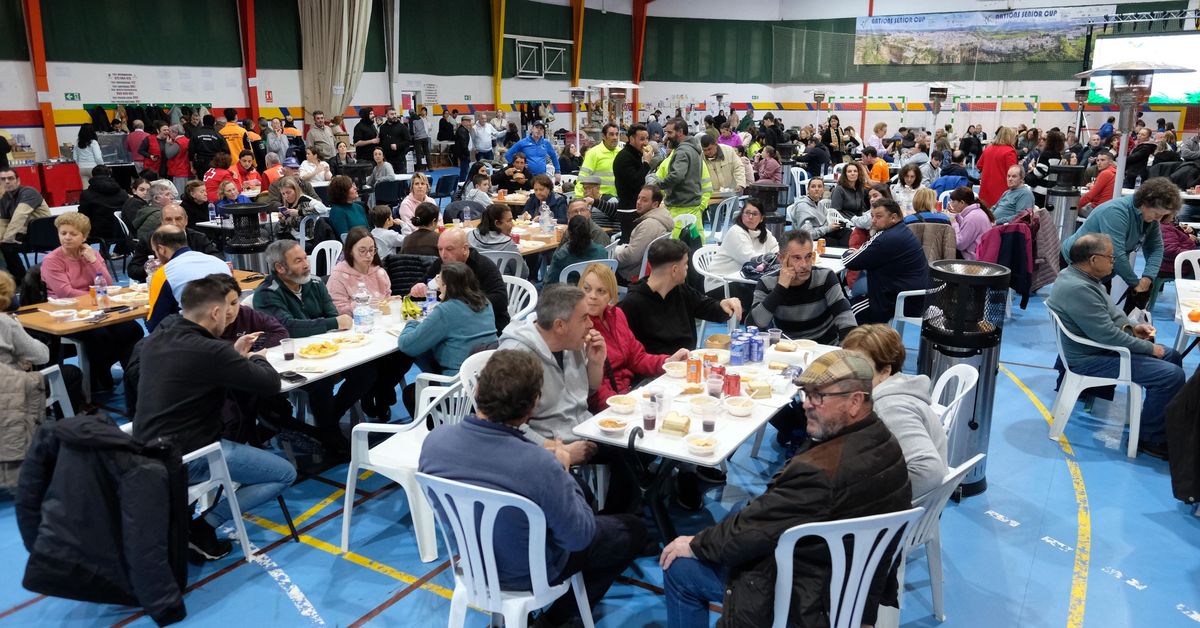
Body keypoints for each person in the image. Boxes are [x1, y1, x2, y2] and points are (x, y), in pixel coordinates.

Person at [660, 349, 912, 628]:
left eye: (819, 396)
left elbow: (752, 531)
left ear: (855, 401)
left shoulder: (819, 472)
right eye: (806, 394)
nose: (806, 404)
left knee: (680, 568)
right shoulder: (887, 442)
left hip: (812, 596)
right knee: (741, 513)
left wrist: (694, 544)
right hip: (859, 584)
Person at [418, 349, 646, 627]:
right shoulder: (539, 465)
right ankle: (558, 619)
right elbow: (579, 538)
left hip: (472, 563)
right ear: (532, 407)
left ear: (476, 390)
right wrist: (562, 469)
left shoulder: (435, 443)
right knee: (633, 530)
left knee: (578, 496)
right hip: (532, 574)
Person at [134, 274, 295, 561]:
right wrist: (257, 357)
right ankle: (203, 526)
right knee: (284, 473)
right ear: (216, 312)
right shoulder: (211, 351)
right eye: (229, 305)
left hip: (144, 447)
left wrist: (233, 357)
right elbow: (270, 384)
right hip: (189, 456)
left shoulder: (159, 337)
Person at [1047, 233, 1183, 460]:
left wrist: (1134, 328)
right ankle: (1150, 438)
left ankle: (1158, 424)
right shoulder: (1079, 288)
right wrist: (1149, 349)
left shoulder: (1081, 277)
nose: (1114, 261)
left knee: (1173, 356)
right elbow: (1107, 335)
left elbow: (1111, 315)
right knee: (1171, 375)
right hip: (1089, 358)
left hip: (1097, 348)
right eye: (1110, 257)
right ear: (1093, 260)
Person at [253, 240, 376, 452]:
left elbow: (331, 313)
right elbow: (288, 328)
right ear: (280, 268)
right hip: (290, 360)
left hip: (327, 350)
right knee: (322, 381)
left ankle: (330, 420)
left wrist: (328, 323)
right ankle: (330, 435)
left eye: (305, 258)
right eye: (298, 261)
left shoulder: (316, 283)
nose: (306, 264)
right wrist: (331, 323)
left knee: (367, 371)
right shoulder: (267, 293)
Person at [497, 284, 605, 458]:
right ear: (560, 326)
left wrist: (595, 364)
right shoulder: (516, 356)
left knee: (634, 448)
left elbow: (587, 392)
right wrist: (559, 450)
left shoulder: (572, 342)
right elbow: (507, 425)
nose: (590, 324)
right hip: (548, 447)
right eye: (584, 318)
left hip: (585, 429)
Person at [842, 324, 948, 499]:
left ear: (885, 371)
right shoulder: (895, 387)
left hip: (900, 510)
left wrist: (868, 495)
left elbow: (929, 471)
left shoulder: (890, 408)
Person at [41, 212, 142, 390]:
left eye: (73, 234)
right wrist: (97, 296)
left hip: (97, 308)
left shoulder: (91, 254)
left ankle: (132, 378)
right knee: (100, 336)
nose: (67, 237)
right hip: (69, 313)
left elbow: (107, 284)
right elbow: (66, 292)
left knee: (131, 329)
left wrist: (93, 261)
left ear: (84, 236)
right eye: (63, 233)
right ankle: (99, 375)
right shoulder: (52, 260)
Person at [1062, 177, 1181, 302]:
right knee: (1084, 309)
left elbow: (1155, 248)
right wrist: (1135, 283)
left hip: (1103, 268)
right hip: (1077, 264)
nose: (1158, 219)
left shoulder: (1150, 219)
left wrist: (1148, 277)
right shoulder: (1116, 212)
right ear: (1144, 203)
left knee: (1102, 307)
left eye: (1163, 215)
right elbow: (1116, 254)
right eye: (1157, 214)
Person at [396, 261, 498, 401]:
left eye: (440, 282)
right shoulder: (485, 302)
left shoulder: (446, 311)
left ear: (446, 286)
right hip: (485, 380)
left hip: (457, 390)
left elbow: (406, 345)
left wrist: (412, 322)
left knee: (410, 393)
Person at [621, 238, 741, 356]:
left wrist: (722, 305)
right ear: (674, 270)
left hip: (688, 362)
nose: (687, 268)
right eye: (685, 264)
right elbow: (629, 354)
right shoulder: (632, 304)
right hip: (658, 367)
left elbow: (705, 306)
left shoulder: (680, 290)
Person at [751, 229, 856, 345]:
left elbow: (847, 321)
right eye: (797, 258)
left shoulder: (825, 277)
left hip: (825, 347)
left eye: (808, 256)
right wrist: (781, 288)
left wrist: (846, 350)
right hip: (788, 348)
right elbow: (757, 323)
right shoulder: (766, 283)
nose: (804, 265)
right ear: (781, 259)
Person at [844, 199, 930, 325]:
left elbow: (850, 261)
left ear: (893, 218)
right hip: (913, 297)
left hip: (899, 301)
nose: (873, 221)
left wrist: (849, 251)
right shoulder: (901, 230)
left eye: (878, 216)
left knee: (845, 312)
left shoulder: (887, 238)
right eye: (872, 216)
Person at [411, 227, 510, 332]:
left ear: (465, 249)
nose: (443, 255)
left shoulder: (482, 265)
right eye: (440, 249)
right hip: (454, 323)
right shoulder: (441, 263)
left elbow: (501, 299)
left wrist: (463, 305)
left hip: (488, 326)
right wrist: (418, 289)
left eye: (449, 249)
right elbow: (421, 290)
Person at [144, 225, 231, 331]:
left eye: (155, 251)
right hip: (229, 325)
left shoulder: (164, 273)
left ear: (161, 249)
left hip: (194, 333)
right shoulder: (219, 262)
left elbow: (155, 324)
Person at [650, 118, 712, 236]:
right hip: (693, 207)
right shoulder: (694, 149)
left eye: (670, 133)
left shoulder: (682, 152)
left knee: (677, 245)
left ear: (680, 132)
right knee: (695, 242)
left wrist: (657, 184)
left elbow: (676, 176)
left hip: (680, 209)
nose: (667, 137)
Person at [129, 203, 219, 282]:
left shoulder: (198, 237)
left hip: (193, 284)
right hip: (160, 283)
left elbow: (218, 258)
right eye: (168, 219)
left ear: (186, 220)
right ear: (162, 222)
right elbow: (133, 271)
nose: (174, 224)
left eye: (178, 219)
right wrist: (151, 267)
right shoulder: (148, 239)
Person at [614, 184, 673, 282]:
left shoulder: (649, 225)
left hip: (632, 275)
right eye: (638, 198)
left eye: (644, 200)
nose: (638, 202)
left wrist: (612, 258)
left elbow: (632, 256)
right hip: (645, 271)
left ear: (655, 204)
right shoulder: (661, 218)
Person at [327, 227, 391, 315]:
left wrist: (390, 302)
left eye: (371, 250)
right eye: (362, 251)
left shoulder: (379, 272)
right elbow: (337, 309)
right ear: (350, 251)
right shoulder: (339, 276)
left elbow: (386, 298)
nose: (368, 255)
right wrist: (366, 306)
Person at [544, 215, 608, 286]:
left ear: (569, 233)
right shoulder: (602, 251)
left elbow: (549, 282)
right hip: (596, 290)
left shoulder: (562, 255)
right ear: (589, 231)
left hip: (568, 292)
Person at [77, 165, 128, 247]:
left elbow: (82, 215)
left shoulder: (86, 194)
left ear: (92, 176)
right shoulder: (122, 193)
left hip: (97, 232)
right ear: (109, 175)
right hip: (120, 231)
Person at [0, 165, 50, 242]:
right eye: (3, 179)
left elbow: (20, 216)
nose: (7, 181)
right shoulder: (4, 198)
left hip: (43, 234)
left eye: (10, 178)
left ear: (18, 180)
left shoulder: (29, 192)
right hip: (25, 234)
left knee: (8, 245)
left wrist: (6, 239)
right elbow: (3, 223)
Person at [613, 123, 653, 214]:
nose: (646, 143)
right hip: (628, 209)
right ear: (631, 139)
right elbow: (636, 182)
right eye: (642, 139)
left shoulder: (637, 154)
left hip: (636, 206)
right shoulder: (625, 157)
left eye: (647, 139)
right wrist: (646, 162)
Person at [574, 123, 622, 197]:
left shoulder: (621, 153)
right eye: (611, 134)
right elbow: (583, 178)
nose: (615, 137)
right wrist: (579, 198)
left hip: (619, 197)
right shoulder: (593, 153)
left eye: (616, 134)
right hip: (599, 198)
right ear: (603, 136)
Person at [273, 176, 327, 240]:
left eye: (288, 192)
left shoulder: (304, 199)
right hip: (292, 238)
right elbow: (282, 230)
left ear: (295, 190)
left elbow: (323, 209)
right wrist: (282, 221)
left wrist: (299, 212)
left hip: (307, 240)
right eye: (283, 194)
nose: (286, 196)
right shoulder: (287, 204)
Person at [947, 186, 993, 261]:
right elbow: (966, 228)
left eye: (953, 201)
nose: (951, 204)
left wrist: (954, 222)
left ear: (962, 203)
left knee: (945, 246)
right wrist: (957, 216)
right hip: (980, 254)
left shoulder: (972, 218)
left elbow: (960, 244)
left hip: (973, 259)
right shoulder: (976, 212)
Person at [978, 126, 1019, 208]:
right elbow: (1013, 172)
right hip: (1001, 191)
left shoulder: (988, 149)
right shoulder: (1010, 151)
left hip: (985, 189)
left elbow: (979, 165)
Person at [378, 107, 411, 175]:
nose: (394, 116)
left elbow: (408, 141)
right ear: (386, 115)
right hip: (387, 160)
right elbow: (381, 142)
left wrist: (397, 146)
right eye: (392, 114)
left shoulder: (402, 127)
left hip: (399, 160)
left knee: (401, 180)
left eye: (395, 114)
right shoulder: (382, 127)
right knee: (389, 179)